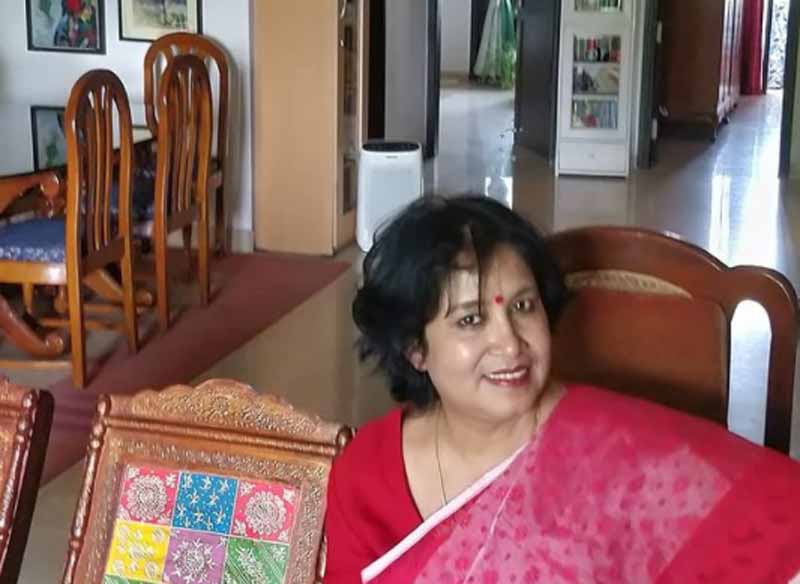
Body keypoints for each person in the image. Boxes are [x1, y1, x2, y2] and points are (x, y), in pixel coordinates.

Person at [323, 195, 800, 583]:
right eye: (471, 319)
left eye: (523, 307)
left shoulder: (618, 451)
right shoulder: (367, 473)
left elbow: (780, 517)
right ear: (415, 350)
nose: (510, 344)